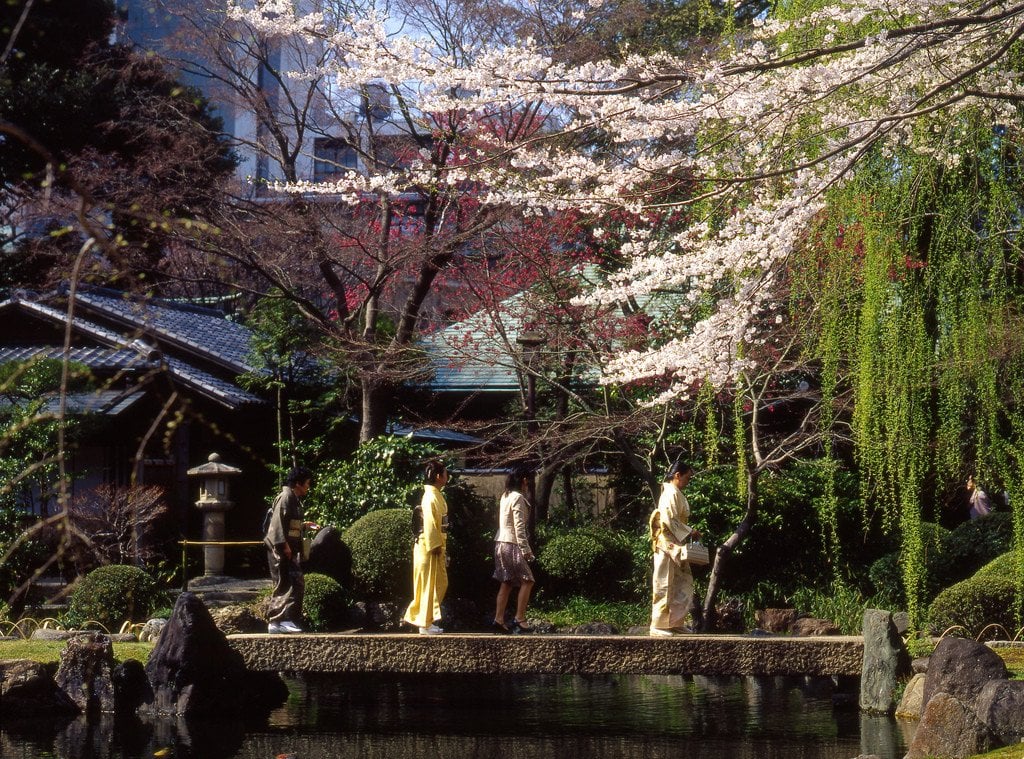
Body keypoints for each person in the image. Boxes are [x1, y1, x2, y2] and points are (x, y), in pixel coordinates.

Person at [649, 460, 697, 636]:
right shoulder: (669, 493)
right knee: (664, 582)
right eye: (687, 477)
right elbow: (669, 520)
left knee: (681, 582)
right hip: (666, 543)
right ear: (677, 476)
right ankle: (658, 625)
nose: (688, 481)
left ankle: (675, 622)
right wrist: (690, 531)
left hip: (676, 543)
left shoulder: (675, 493)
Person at [266, 465, 314, 634]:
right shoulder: (285, 497)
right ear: (299, 483)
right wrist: (284, 545)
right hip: (281, 549)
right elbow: (277, 525)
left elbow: (289, 524)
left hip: (288, 549)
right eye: (307, 483)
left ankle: (284, 619)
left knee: (294, 582)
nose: (308, 487)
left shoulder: (293, 498)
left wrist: (303, 525)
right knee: (285, 583)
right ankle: (278, 620)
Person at [404, 459, 450, 635]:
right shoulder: (430, 496)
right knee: (428, 585)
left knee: (438, 583)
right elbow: (430, 523)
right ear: (439, 477)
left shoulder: (435, 494)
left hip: (435, 544)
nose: (447, 476)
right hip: (429, 546)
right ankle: (424, 622)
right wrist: (435, 544)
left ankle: (427, 620)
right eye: (445, 473)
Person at [492, 467, 536, 634]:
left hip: (500, 542)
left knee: (507, 581)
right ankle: (520, 618)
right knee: (528, 580)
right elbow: (519, 526)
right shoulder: (517, 497)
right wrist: (526, 549)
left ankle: (498, 619)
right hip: (512, 543)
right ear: (524, 480)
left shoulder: (506, 495)